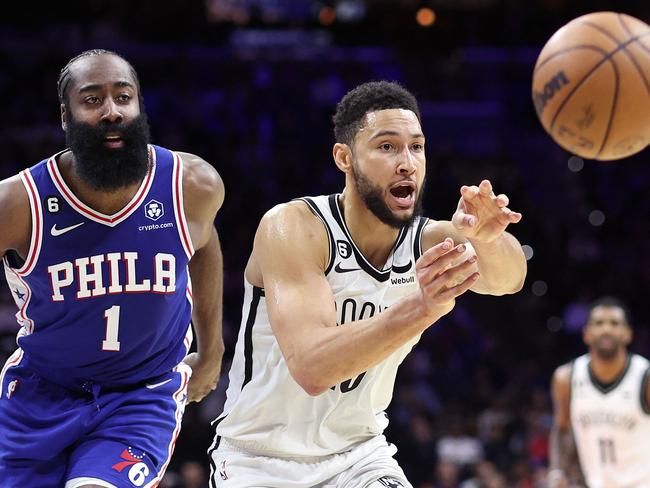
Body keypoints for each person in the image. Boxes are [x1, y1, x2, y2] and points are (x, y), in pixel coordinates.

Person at [208, 81, 526, 487]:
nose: (407, 162)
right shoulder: (295, 227)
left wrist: (487, 238)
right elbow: (313, 367)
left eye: (417, 146)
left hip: (359, 456)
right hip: (260, 460)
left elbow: (510, 279)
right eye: (387, 147)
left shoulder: (427, 239)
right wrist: (422, 308)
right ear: (344, 157)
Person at [0, 49, 225, 487]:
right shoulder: (19, 204)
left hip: (140, 397)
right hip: (39, 395)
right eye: (93, 100)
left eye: (124, 97)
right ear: (65, 116)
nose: (111, 112)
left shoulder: (190, 184)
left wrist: (212, 349)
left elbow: (204, 244)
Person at [548, 296, 650, 488]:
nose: (606, 329)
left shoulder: (644, 377)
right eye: (599, 323)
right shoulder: (566, 378)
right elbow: (562, 429)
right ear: (586, 333)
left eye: (615, 323)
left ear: (628, 334)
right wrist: (557, 472)